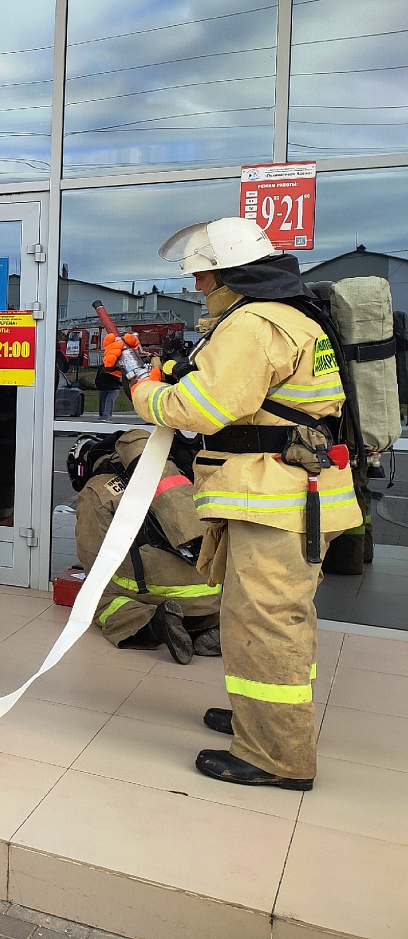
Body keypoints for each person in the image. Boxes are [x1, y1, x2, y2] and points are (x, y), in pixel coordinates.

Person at [116, 216, 360, 791]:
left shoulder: (253, 323)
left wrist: (139, 388)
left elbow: (198, 410)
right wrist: (166, 370)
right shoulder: (292, 315)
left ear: (232, 274)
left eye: (203, 275)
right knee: (274, 618)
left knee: (266, 623)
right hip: (295, 497)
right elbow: (249, 393)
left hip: (278, 502)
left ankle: (276, 755)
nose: (197, 285)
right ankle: (264, 718)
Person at [70, 429, 221, 663]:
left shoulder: (96, 489)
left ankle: (154, 624)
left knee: (98, 599)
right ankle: (211, 627)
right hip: (211, 589)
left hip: (156, 593)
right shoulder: (169, 468)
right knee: (201, 598)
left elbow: (92, 558)